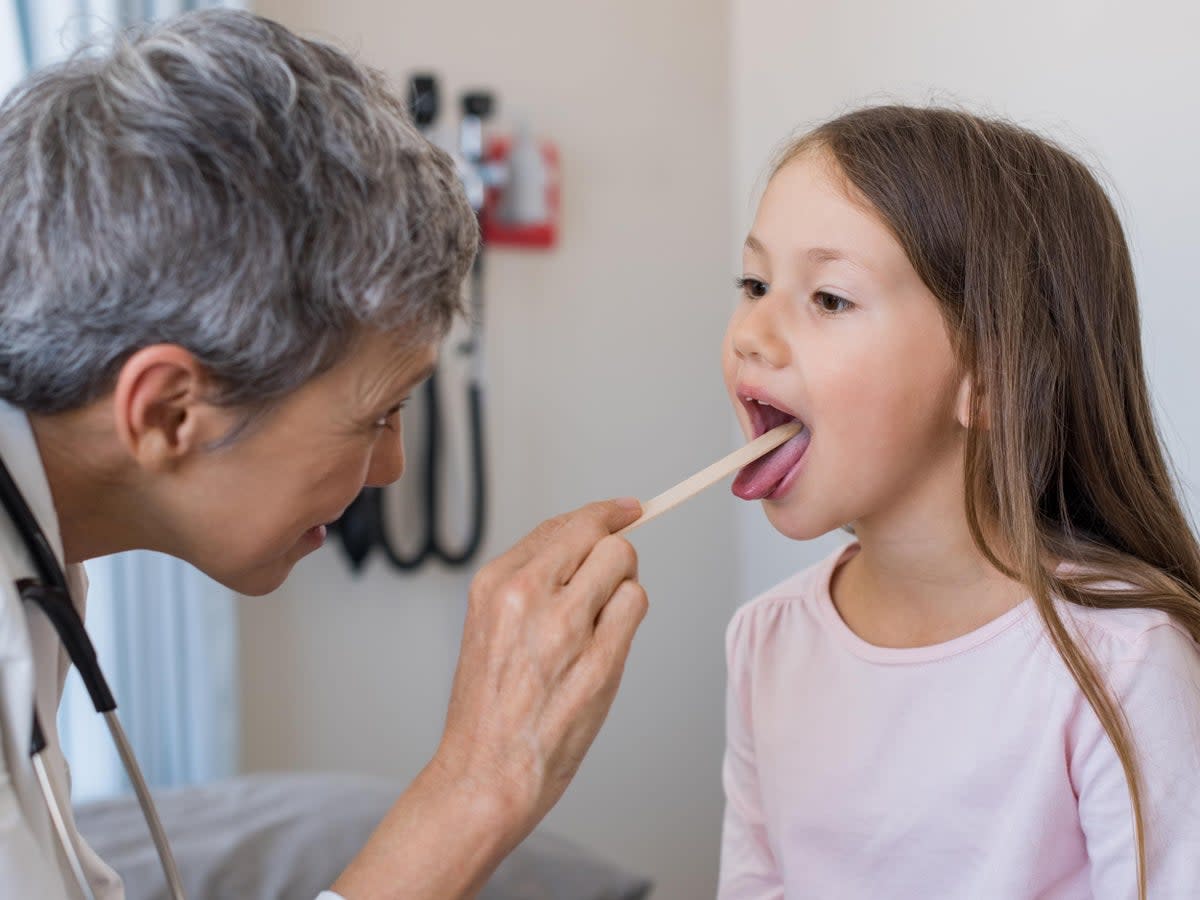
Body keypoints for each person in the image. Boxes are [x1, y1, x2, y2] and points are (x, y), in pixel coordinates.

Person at [0, 9, 648, 899]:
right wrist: (480, 789)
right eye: (379, 414)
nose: (392, 469)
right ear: (167, 411)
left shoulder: (35, 559)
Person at [718, 105, 1200, 899]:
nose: (751, 333)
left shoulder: (1124, 668)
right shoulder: (765, 642)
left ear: (992, 374)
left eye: (829, 298)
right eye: (754, 283)